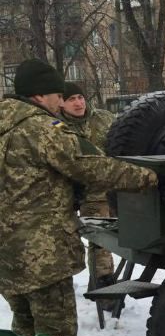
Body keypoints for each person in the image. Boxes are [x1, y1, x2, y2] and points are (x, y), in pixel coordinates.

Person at [0, 58, 159, 336]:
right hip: (42, 257)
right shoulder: (44, 129)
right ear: (39, 95)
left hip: (6, 258)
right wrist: (151, 178)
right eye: (59, 96)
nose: (61, 104)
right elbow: (92, 166)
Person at [59, 82, 118, 295]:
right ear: (62, 104)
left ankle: (101, 282)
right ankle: (104, 285)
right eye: (71, 99)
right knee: (100, 240)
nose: (78, 102)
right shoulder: (56, 127)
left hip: (117, 186)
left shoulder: (103, 118)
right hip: (88, 194)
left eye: (80, 97)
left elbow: (120, 142)